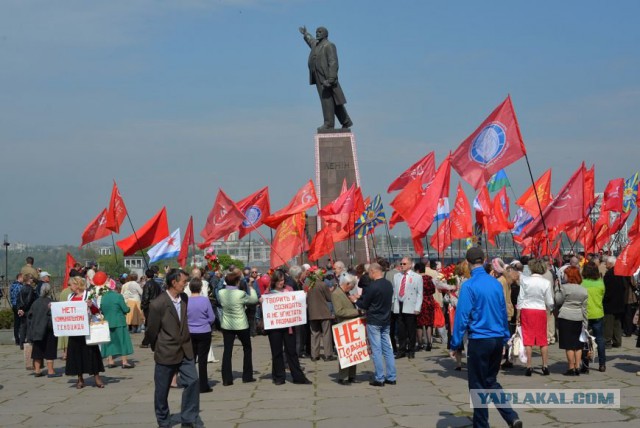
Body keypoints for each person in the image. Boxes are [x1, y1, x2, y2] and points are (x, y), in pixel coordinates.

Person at [450, 247, 522, 428]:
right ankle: (511, 416)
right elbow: (502, 311)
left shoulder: (469, 285)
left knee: (477, 385)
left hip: (479, 339)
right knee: (491, 381)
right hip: (497, 337)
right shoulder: (496, 283)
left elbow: (462, 316)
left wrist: (455, 342)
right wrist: (505, 336)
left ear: (467, 263)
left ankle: (481, 425)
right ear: (483, 260)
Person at [145, 268, 199, 428]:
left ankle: (188, 418)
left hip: (185, 349)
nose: (186, 284)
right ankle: (163, 420)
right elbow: (151, 330)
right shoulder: (158, 304)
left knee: (193, 381)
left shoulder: (183, 297)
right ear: (174, 282)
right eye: (184, 282)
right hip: (166, 352)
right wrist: (158, 347)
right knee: (162, 390)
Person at [298, 25, 353, 131]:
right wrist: (305, 34)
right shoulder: (316, 45)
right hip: (318, 77)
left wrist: (331, 79)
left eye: (319, 32)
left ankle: (328, 124)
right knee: (334, 101)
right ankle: (346, 121)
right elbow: (310, 41)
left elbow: (333, 62)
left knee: (327, 101)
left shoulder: (329, 45)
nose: (317, 33)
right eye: (316, 32)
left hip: (327, 78)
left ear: (325, 34)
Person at [265, 270, 312, 385]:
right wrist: (262, 301)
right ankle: (279, 377)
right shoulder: (269, 294)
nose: (282, 282)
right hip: (275, 328)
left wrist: (302, 301)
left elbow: (297, 302)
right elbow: (265, 306)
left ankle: (298, 377)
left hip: (289, 327)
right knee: (276, 352)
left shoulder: (289, 290)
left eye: (283, 280)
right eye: (279, 280)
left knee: (292, 352)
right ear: (274, 281)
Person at [355, 263, 396, 387]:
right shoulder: (388, 284)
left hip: (374, 320)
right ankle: (391, 376)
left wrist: (356, 300)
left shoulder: (373, 286)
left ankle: (379, 378)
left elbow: (364, 305)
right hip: (386, 319)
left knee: (376, 350)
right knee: (388, 349)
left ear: (373, 271)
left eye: (369, 273)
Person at [218, 268, 258, 385]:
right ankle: (247, 376)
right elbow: (253, 300)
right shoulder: (241, 294)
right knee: (247, 348)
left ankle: (227, 379)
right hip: (241, 324)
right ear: (237, 282)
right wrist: (250, 286)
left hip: (227, 324)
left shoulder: (221, 293)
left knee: (227, 351)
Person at [65, 276, 105, 388]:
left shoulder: (89, 294)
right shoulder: (70, 296)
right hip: (74, 329)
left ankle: (97, 377)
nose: (69, 287)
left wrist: (91, 305)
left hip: (87, 328)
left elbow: (97, 310)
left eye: (71, 284)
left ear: (77, 285)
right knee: (76, 353)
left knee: (92, 352)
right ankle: (80, 378)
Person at [517, 259, 554, 376]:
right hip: (540, 310)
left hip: (527, 310)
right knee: (542, 339)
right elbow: (549, 300)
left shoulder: (525, 280)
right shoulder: (546, 282)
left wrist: (518, 313)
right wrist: (551, 308)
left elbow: (521, 298)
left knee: (528, 340)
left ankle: (528, 366)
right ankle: (545, 365)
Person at [555, 266, 588, 376]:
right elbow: (584, 308)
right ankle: (577, 366)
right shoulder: (583, 290)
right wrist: (585, 322)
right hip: (578, 317)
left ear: (569, 275)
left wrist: (557, 289)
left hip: (566, 316)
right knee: (578, 344)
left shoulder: (565, 288)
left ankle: (571, 367)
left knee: (568, 344)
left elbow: (558, 300)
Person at [186, 278, 215, 393]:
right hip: (204, 331)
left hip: (190, 331)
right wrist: (206, 323)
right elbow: (212, 317)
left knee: (191, 359)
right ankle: (203, 385)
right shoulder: (204, 300)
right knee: (202, 360)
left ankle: (191, 383)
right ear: (200, 287)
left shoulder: (186, 300)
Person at [331, 273, 361, 385]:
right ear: (347, 284)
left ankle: (352, 376)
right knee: (345, 354)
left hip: (352, 325)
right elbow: (339, 311)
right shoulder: (336, 294)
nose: (353, 288)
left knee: (354, 351)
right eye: (352, 285)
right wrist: (356, 312)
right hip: (343, 326)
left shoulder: (347, 293)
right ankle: (342, 377)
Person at [392, 256, 423, 359]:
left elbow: (420, 293)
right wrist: (393, 304)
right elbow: (394, 291)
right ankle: (401, 350)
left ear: (410, 265)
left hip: (410, 306)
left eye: (404, 264)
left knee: (411, 329)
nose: (402, 265)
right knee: (401, 330)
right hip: (399, 304)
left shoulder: (417, 277)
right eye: (401, 264)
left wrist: (417, 307)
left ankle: (411, 350)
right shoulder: (397, 276)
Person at [27, 283, 60, 377]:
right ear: (50, 291)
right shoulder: (52, 302)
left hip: (37, 330)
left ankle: (37, 370)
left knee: (37, 350)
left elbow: (30, 316)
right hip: (50, 330)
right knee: (50, 350)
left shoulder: (35, 303)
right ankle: (50, 371)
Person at [100, 281, 134, 369]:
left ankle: (111, 361)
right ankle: (124, 362)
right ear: (117, 288)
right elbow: (125, 309)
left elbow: (102, 310)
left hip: (108, 322)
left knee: (109, 342)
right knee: (122, 341)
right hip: (119, 322)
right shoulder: (118, 296)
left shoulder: (104, 297)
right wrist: (128, 308)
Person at [581, 261, 607, 373]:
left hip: (585, 314)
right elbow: (603, 296)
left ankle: (585, 365)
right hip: (598, 313)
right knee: (600, 339)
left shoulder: (582, 283)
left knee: (585, 340)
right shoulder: (600, 283)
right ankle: (602, 364)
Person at [307, 266, 336, 362]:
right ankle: (328, 355)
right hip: (323, 312)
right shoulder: (323, 285)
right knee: (326, 333)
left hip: (312, 313)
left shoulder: (309, 285)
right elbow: (329, 298)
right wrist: (331, 291)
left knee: (314, 334)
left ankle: (314, 355)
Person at [602, 256, 627, 348]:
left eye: (606, 263)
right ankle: (617, 341)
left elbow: (607, 290)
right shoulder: (621, 273)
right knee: (617, 323)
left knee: (608, 324)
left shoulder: (609, 274)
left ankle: (607, 342)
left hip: (610, 303)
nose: (605, 264)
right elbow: (624, 288)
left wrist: (604, 299)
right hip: (619, 302)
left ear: (611, 264)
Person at [414, 262, 437, 352]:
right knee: (429, 323)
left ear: (417, 270)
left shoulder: (416, 279)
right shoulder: (429, 278)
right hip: (429, 301)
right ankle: (429, 343)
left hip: (419, 302)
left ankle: (420, 343)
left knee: (419, 324)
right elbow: (433, 290)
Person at [141, 268, 163, 348]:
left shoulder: (147, 284)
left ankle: (146, 342)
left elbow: (146, 297)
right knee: (154, 323)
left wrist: (143, 306)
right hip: (157, 305)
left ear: (146, 275)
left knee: (148, 324)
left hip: (149, 306)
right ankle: (151, 340)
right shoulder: (157, 284)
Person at [17, 273, 37, 349]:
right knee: (29, 326)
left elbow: (19, 299)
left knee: (22, 327)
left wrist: (20, 309)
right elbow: (29, 300)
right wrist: (24, 309)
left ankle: (21, 343)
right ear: (29, 279)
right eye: (31, 278)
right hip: (28, 310)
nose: (32, 280)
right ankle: (29, 341)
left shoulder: (21, 288)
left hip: (22, 310)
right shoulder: (30, 289)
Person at [9, 273, 24, 345]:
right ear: (19, 277)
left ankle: (16, 339)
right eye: (22, 278)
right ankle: (20, 339)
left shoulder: (12, 285)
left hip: (13, 305)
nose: (23, 279)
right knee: (21, 322)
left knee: (16, 323)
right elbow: (21, 297)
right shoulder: (20, 286)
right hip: (18, 305)